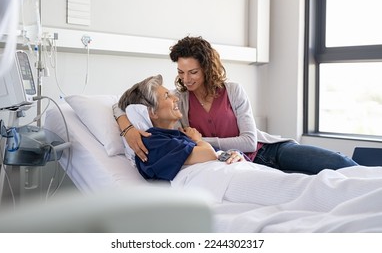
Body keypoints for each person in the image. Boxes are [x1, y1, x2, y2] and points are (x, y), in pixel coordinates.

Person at [118, 75, 382, 212]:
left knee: (329, 170)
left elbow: (228, 148)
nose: (176, 93)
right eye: (166, 95)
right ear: (150, 111)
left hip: (256, 155)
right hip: (223, 179)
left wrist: (225, 154)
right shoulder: (152, 141)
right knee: (304, 187)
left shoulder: (177, 132)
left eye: (193, 72)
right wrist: (202, 144)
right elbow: (204, 155)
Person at [113, 36, 358, 174]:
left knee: (337, 164)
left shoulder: (233, 91)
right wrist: (128, 129)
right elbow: (119, 105)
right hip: (236, 164)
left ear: (207, 69)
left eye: (193, 72)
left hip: (268, 151)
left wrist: (202, 139)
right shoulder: (179, 100)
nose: (186, 80)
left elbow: (249, 141)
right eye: (181, 72)